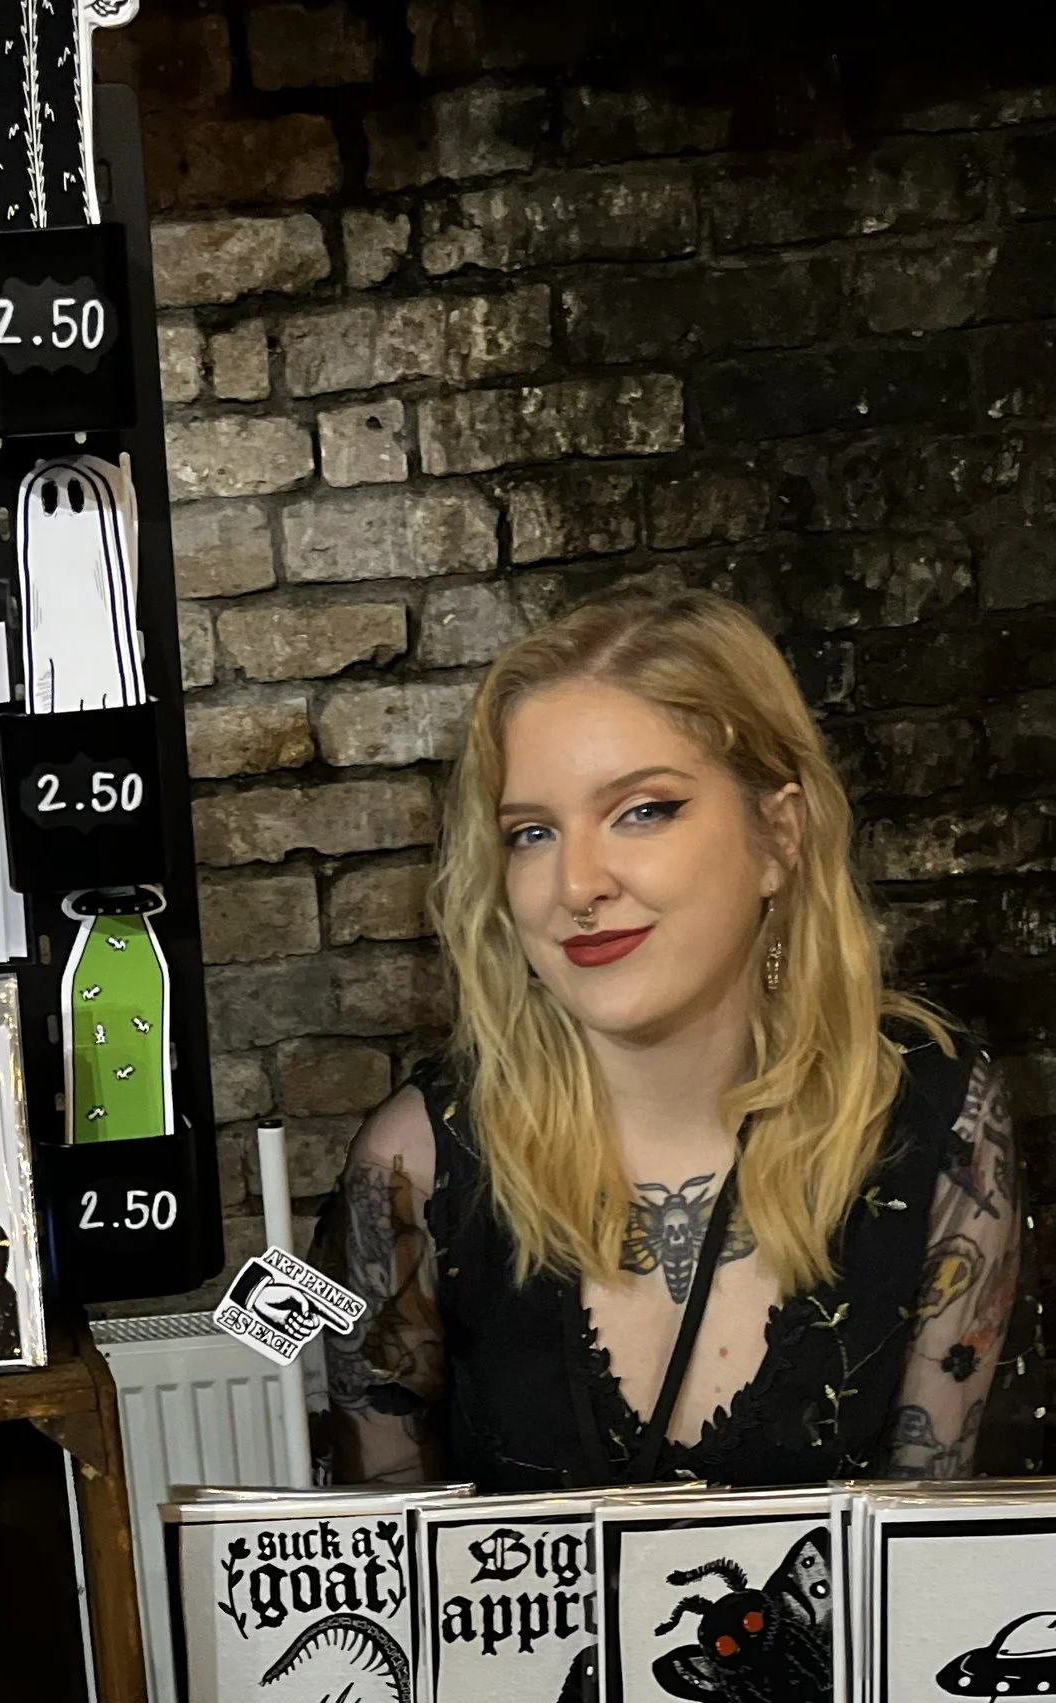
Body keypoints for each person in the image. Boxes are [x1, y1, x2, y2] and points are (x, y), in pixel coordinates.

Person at [312, 589, 1020, 1490]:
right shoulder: (413, 1163)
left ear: (779, 835)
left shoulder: (935, 1121)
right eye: (531, 833)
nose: (576, 883)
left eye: (643, 810)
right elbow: (388, 1578)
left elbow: (922, 1567)